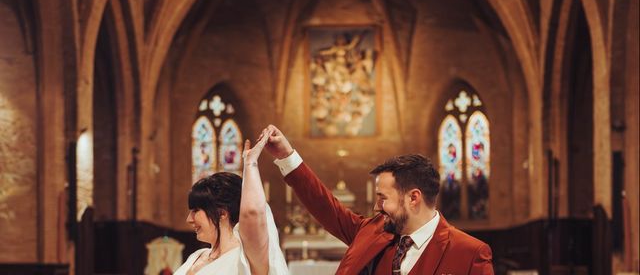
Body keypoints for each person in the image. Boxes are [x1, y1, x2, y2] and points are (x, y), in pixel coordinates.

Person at [264, 125, 493, 274]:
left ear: (413, 198)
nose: (376, 206)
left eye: (383, 198)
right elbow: (325, 206)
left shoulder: (470, 254)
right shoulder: (373, 230)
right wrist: (286, 156)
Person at [174, 128, 288, 275]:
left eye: (196, 210)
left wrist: (250, 164)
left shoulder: (247, 259)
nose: (189, 219)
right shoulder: (197, 256)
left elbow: (253, 213)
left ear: (222, 213)